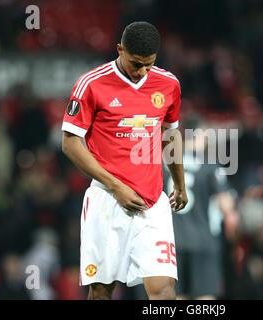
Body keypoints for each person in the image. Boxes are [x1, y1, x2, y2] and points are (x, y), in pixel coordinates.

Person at [61, 21, 188, 300]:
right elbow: (70, 143)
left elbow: (170, 135)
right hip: (107, 201)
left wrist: (179, 184)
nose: (142, 70)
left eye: (148, 64)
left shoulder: (168, 84)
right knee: (101, 291)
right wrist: (116, 186)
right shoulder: (91, 84)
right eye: (136, 63)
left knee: (165, 291)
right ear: (120, 49)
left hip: (153, 203)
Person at [164, 115, 238, 300]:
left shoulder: (166, 164)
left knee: (177, 296)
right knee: (204, 297)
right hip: (204, 241)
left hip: (172, 242)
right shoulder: (210, 166)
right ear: (199, 134)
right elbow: (226, 206)